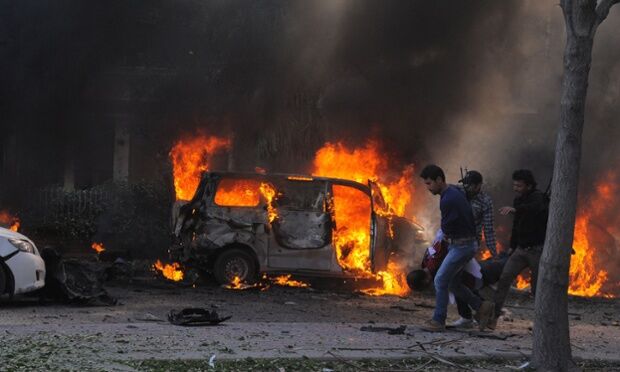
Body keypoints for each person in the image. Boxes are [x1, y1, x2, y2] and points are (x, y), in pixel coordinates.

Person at [418, 165, 495, 332]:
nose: (428, 187)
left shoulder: (448, 199)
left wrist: (439, 243)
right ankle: (482, 306)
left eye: (429, 183)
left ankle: (438, 321)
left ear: (439, 179)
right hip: (462, 245)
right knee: (453, 283)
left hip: (462, 247)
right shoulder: (452, 191)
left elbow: (447, 228)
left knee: (439, 280)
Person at [407, 229, 507, 329]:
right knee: (455, 286)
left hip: (478, 273)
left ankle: (483, 310)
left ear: (425, 281)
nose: (429, 286)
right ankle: (469, 316)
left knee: (503, 264)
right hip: (470, 271)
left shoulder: (437, 270)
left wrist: (481, 306)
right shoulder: (427, 261)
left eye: (425, 286)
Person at [490, 169, 549, 330]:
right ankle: (492, 318)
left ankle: (541, 324)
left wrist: (517, 210)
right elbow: (516, 226)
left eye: (519, 185)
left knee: (538, 289)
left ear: (529, 186)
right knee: (504, 280)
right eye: (514, 185)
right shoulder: (518, 201)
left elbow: (535, 209)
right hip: (520, 250)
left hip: (537, 250)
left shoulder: (539, 198)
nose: (515, 188)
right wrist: (513, 246)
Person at [459, 170, 498, 257]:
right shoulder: (457, 192)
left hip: (471, 242)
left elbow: (488, 229)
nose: (466, 186)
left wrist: (494, 254)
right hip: (454, 239)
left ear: (479, 185)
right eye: (465, 183)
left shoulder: (485, 201)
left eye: (470, 185)